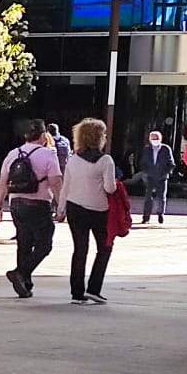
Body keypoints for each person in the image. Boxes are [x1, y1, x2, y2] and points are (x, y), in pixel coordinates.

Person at [0, 119, 65, 299]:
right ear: (42, 136)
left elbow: (3, 183)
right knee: (44, 244)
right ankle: (21, 273)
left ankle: (25, 285)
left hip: (16, 204)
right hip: (38, 204)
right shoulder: (48, 155)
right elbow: (55, 182)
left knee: (23, 243)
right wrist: (61, 205)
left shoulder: (13, 153)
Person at [60, 119, 119, 305]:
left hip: (74, 207)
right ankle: (94, 288)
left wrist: (60, 209)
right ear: (99, 137)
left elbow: (66, 186)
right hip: (98, 209)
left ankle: (77, 292)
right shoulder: (105, 160)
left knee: (80, 249)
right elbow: (110, 188)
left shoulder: (73, 159)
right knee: (104, 248)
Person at [136, 130, 175, 224]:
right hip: (150, 176)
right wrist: (145, 172)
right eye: (153, 138)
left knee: (161, 197)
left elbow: (171, 163)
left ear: (160, 139)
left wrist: (166, 173)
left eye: (156, 138)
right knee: (148, 197)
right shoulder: (146, 149)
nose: (155, 140)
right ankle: (146, 217)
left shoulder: (166, 149)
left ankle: (160, 214)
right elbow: (142, 162)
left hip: (162, 177)